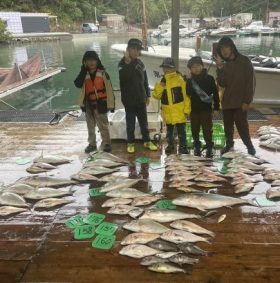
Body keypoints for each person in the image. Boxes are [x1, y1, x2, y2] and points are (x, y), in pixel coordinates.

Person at [215, 36, 256, 155]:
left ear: (232, 47)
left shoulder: (245, 61)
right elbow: (222, 83)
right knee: (227, 126)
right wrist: (220, 68)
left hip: (240, 102)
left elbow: (251, 82)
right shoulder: (225, 64)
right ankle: (229, 144)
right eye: (222, 49)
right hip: (227, 101)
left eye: (226, 47)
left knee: (242, 126)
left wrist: (247, 101)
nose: (224, 51)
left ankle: (249, 146)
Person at [118, 38, 157, 153]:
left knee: (144, 124)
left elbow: (145, 81)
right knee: (130, 124)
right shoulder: (122, 64)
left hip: (141, 99)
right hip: (129, 101)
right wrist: (127, 62)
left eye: (137, 49)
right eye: (133, 49)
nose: (135, 52)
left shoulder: (141, 63)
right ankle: (130, 143)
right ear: (127, 50)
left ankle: (147, 141)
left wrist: (148, 95)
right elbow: (125, 77)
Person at [74, 50, 115, 153]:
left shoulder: (103, 73)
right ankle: (92, 144)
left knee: (103, 125)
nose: (91, 62)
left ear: (97, 61)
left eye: (93, 60)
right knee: (90, 126)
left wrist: (111, 104)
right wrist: (83, 70)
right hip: (88, 104)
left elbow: (109, 90)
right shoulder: (84, 74)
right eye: (88, 60)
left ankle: (107, 143)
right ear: (85, 62)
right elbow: (77, 84)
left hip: (101, 103)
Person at [153, 57, 191, 154]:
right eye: (164, 67)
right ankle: (170, 146)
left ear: (174, 68)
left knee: (182, 132)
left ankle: (183, 147)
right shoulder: (162, 81)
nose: (166, 70)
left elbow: (186, 96)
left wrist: (187, 110)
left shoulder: (180, 79)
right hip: (168, 113)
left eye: (169, 68)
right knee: (169, 133)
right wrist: (161, 84)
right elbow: (156, 96)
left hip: (180, 113)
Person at [185, 56, 220, 157]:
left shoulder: (210, 78)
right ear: (190, 69)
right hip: (194, 110)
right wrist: (187, 80)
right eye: (193, 67)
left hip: (206, 109)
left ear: (202, 66)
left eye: (198, 66)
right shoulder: (190, 81)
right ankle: (197, 145)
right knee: (194, 129)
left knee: (207, 129)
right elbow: (188, 93)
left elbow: (215, 93)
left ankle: (209, 146)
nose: (196, 68)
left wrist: (216, 107)